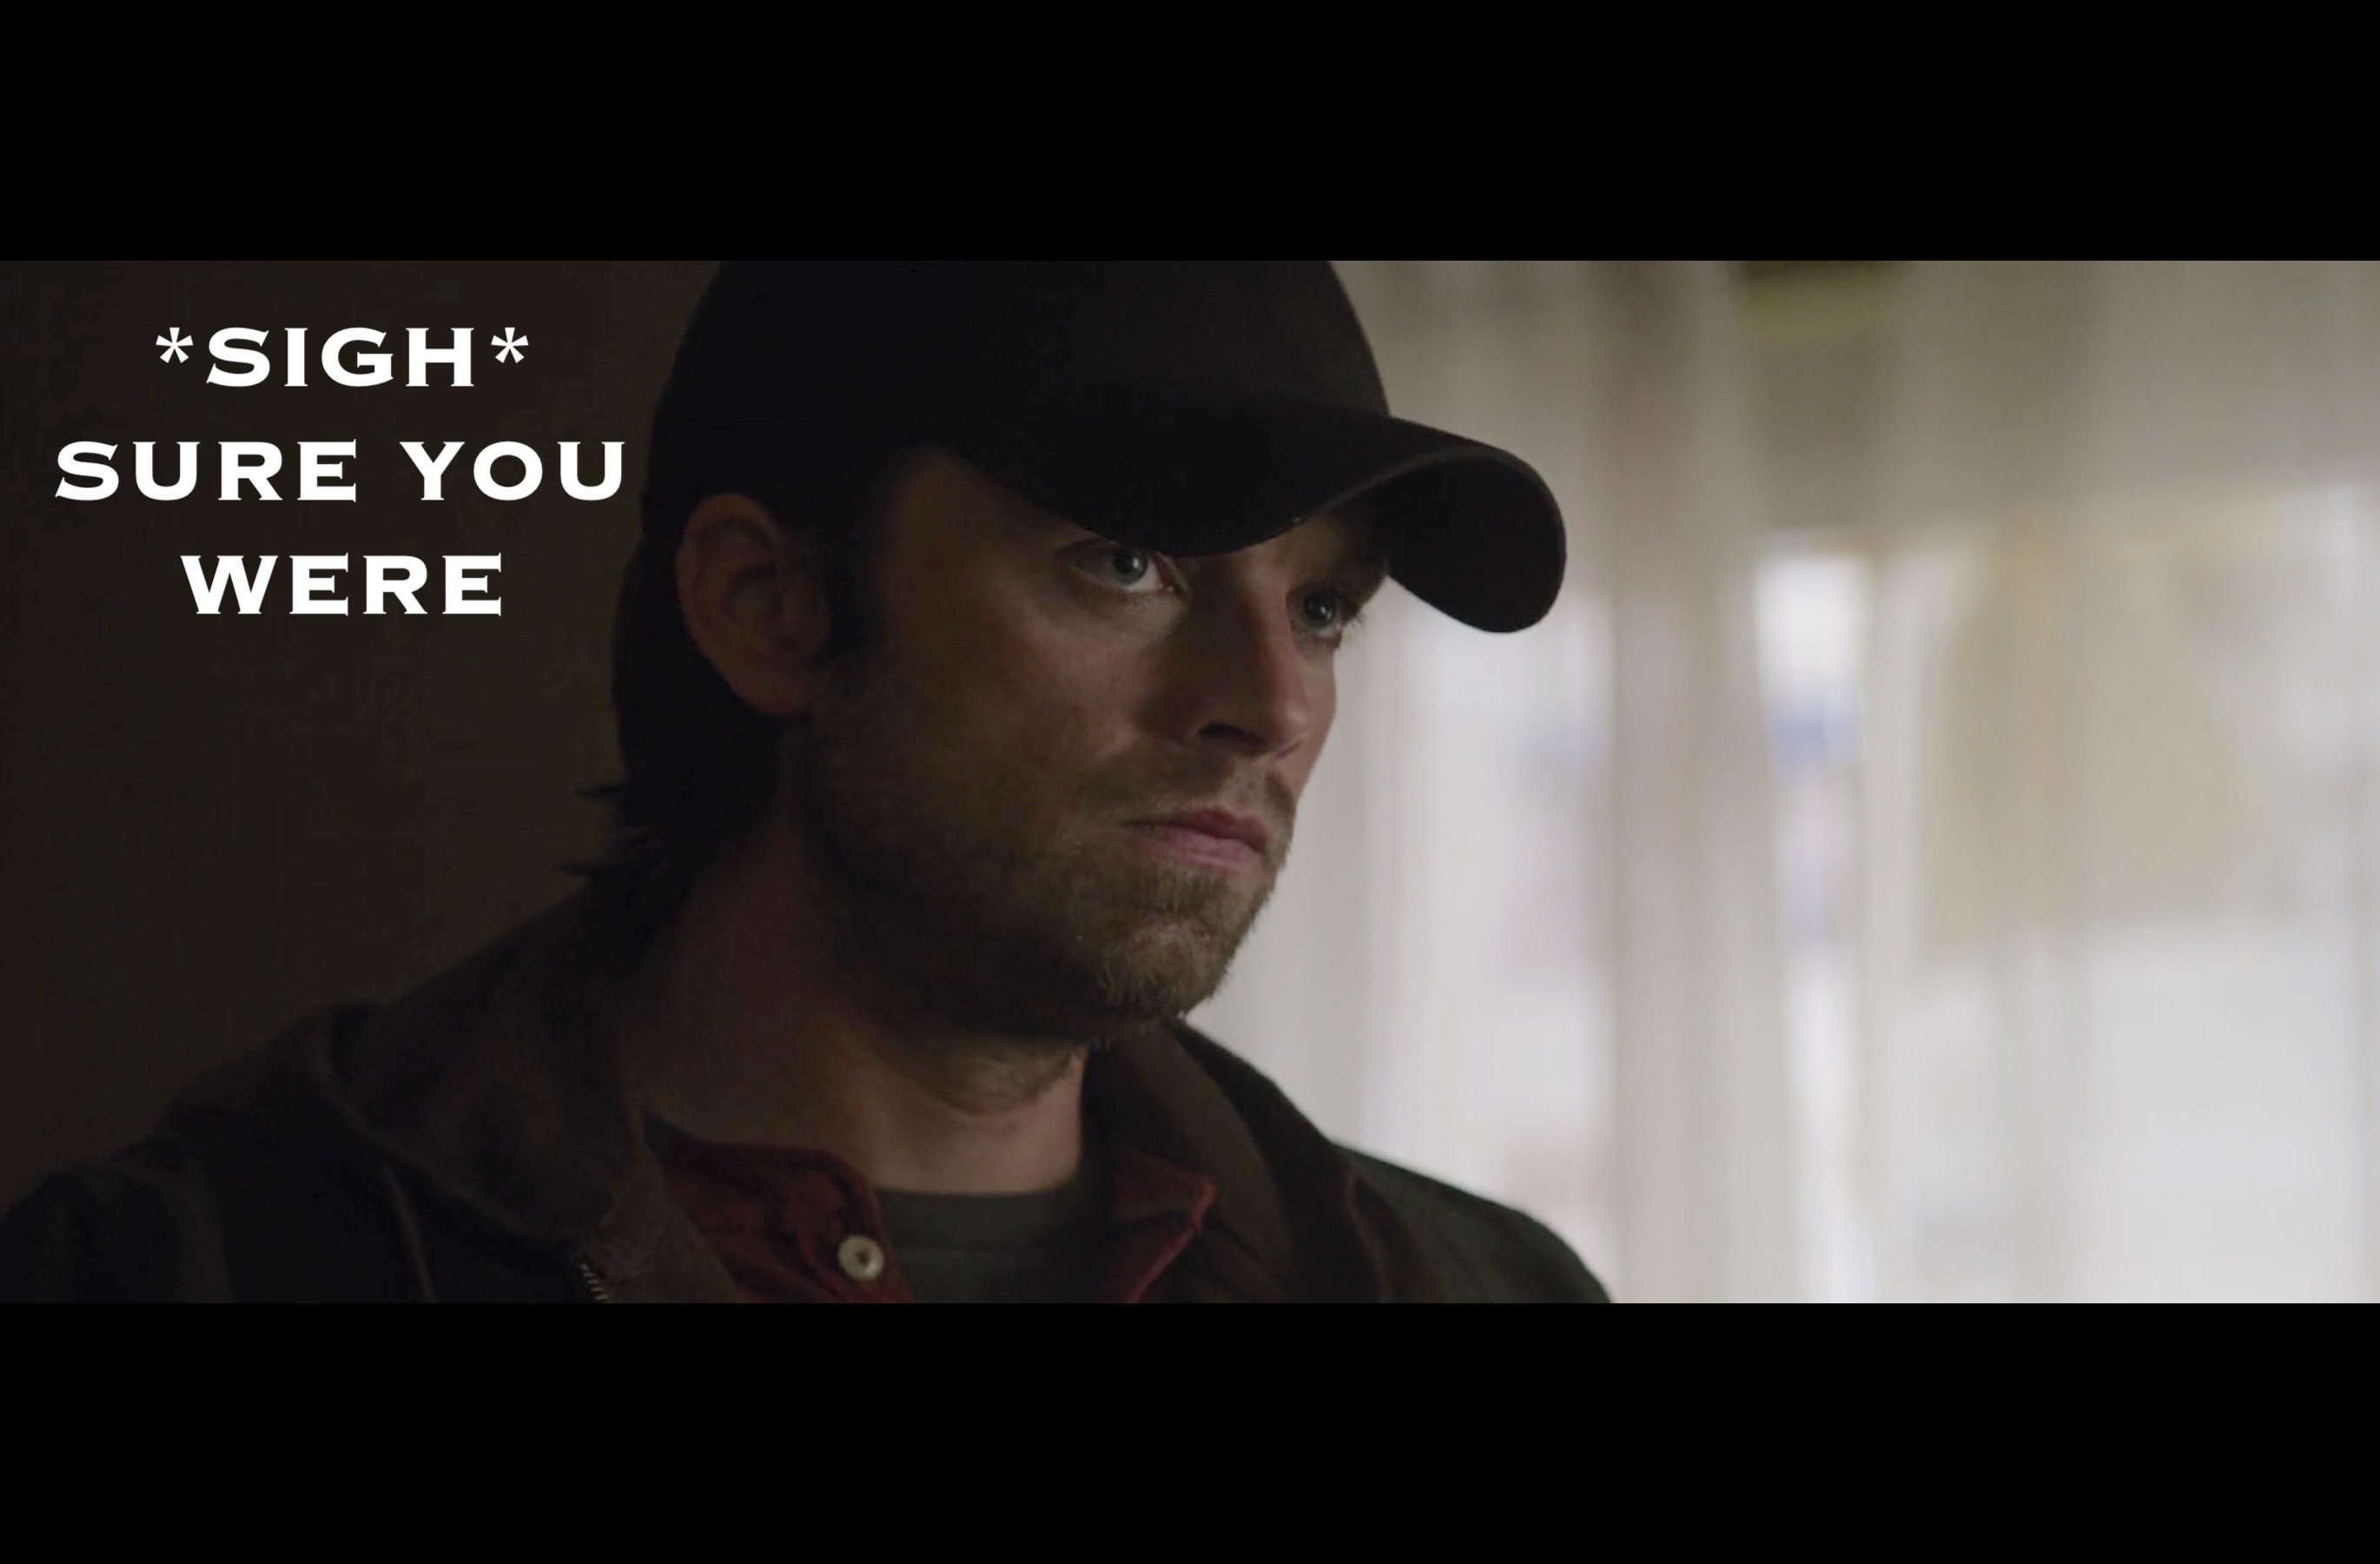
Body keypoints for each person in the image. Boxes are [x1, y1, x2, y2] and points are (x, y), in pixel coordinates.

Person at [0, 262, 1607, 1303]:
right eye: (1128, 563)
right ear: (768, 607)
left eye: (1322, 608)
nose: (1271, 704)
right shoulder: (181, 1267)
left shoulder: (1480, 1287)